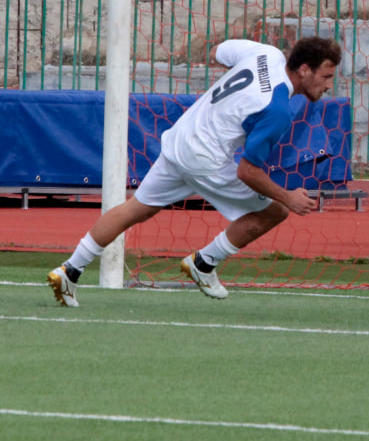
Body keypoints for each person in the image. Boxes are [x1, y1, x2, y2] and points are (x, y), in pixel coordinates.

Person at [47, 36, 343, 307]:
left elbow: (218, 51)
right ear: (304, 70)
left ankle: (69, 270)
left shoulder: (265, 53)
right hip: (206, 161)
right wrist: (287, 197)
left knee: (136, 208)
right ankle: (204, 263)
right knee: (276, 211)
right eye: (326, 76)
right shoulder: (277, 110)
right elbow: (248, 172)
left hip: (181, 139)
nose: (329, 85)